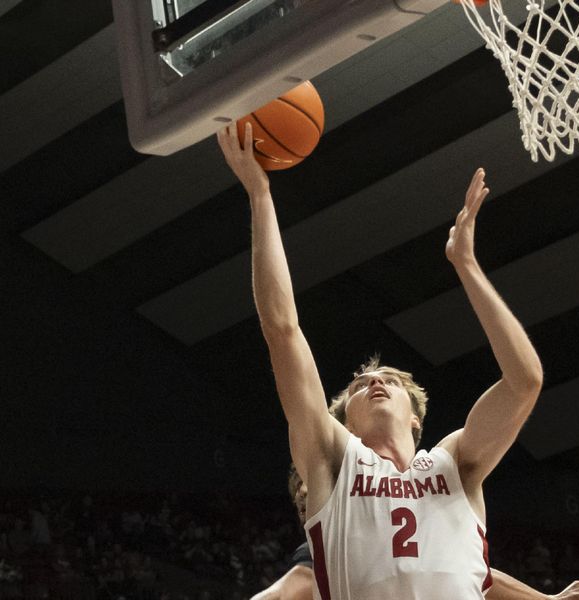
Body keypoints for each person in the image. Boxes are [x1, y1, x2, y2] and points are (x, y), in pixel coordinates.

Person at [219, 121, 557, 598]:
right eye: (360, 385)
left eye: (389, 381)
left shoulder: (455, 464)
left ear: (417, 418)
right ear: (346, 421)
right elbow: (281, 328)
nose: (375, 382)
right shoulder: (333, 458)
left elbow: (524, 381)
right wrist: (260, 194)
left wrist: (467, 265)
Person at [252, 465, 579, 600]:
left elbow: (476, 578)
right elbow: (292, 585)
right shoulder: (321, 549)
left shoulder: (401, 519)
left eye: (311, 500)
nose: (307, 511)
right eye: (301, 507)